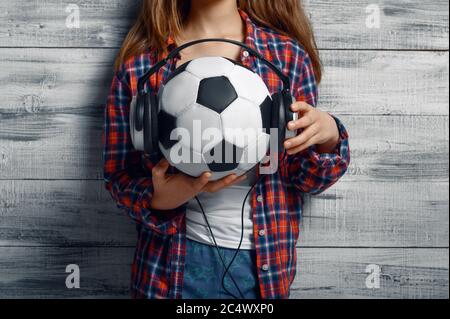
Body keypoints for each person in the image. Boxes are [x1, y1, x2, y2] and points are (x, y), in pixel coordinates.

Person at [103, 0, 350, 299]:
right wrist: (161, 199)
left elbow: (307, 179)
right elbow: (119, 177)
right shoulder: (140, 69)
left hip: (263, 269)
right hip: (168, 272)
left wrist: (329, 136)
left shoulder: (286, 58)